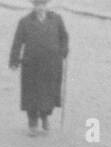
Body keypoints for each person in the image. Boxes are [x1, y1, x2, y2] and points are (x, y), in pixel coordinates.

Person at [9, 0, 69, 137]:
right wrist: (14, 59)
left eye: (42, 5)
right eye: (37, 5)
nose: (40, 8)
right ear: (34, 6)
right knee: (32, 94)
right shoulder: (25, 22)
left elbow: (64, 36)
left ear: (46, 6)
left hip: (51, 64)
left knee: (48, 92)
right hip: (32, 65)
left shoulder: (56, 19)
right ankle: (32, 122)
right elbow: (17, 42)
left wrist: (64, 50)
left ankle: (45, 116)